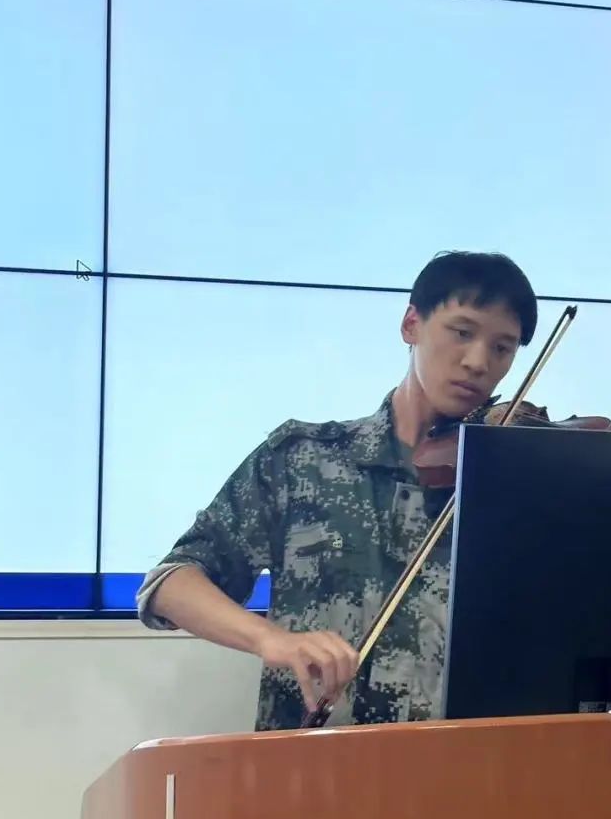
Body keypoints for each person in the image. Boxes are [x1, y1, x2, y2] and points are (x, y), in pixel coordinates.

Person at [136, 250, 538, 730]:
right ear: (411, 325)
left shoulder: (511, 480)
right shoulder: (301, 458)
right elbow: (170, 585)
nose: (478, 362)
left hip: (462, 760)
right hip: (316, 760)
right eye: (462, 332)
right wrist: (271, 639)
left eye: (502, 348)